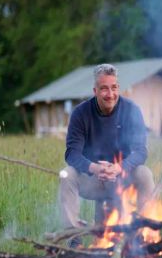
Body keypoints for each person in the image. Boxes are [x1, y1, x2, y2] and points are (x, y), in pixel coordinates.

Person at [58, 63, 154, 247]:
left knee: (144, 173)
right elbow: (71, 153)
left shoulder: (132, 110)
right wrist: (94, 168)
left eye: (114, 87)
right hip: (93, 178)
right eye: (104, 89)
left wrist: (119, 167)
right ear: (95, 90)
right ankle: (73, 237)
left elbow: (141, 151)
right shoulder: (80, 113)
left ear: (118, 87)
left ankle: (140, 233)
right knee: (67, 174)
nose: (110, 94)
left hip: (122, 178)